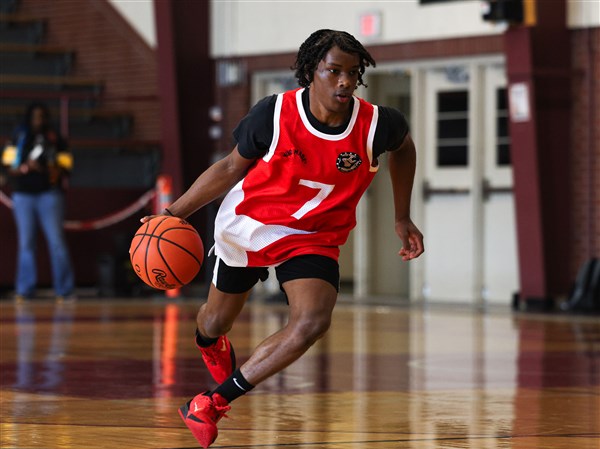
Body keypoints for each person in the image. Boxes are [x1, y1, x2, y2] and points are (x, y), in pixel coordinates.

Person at [142, 29, 424, 448]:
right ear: (311, 71)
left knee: (312, 321)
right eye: (334, 71)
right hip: (250, 225)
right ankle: (209, 341)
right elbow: (228, 168)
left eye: (353, 73)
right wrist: (171, 214)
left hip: (314, 236)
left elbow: (404, 148)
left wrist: (402, 217)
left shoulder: (379, 124)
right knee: (216, 321)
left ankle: (211, 403)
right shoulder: (272, 114)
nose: (345, 81)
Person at [1, 102, 75, 302]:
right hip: (23, 195)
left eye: (42, 117)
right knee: (26, 243)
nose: (38, 121)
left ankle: (64, 290)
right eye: (35, 117)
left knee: (56, 241)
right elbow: (7, 164)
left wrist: (49, 166)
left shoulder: (54, 138)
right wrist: (24, 167)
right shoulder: (19, 136)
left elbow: (67, 165)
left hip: (50, 194)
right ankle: (25, 290)